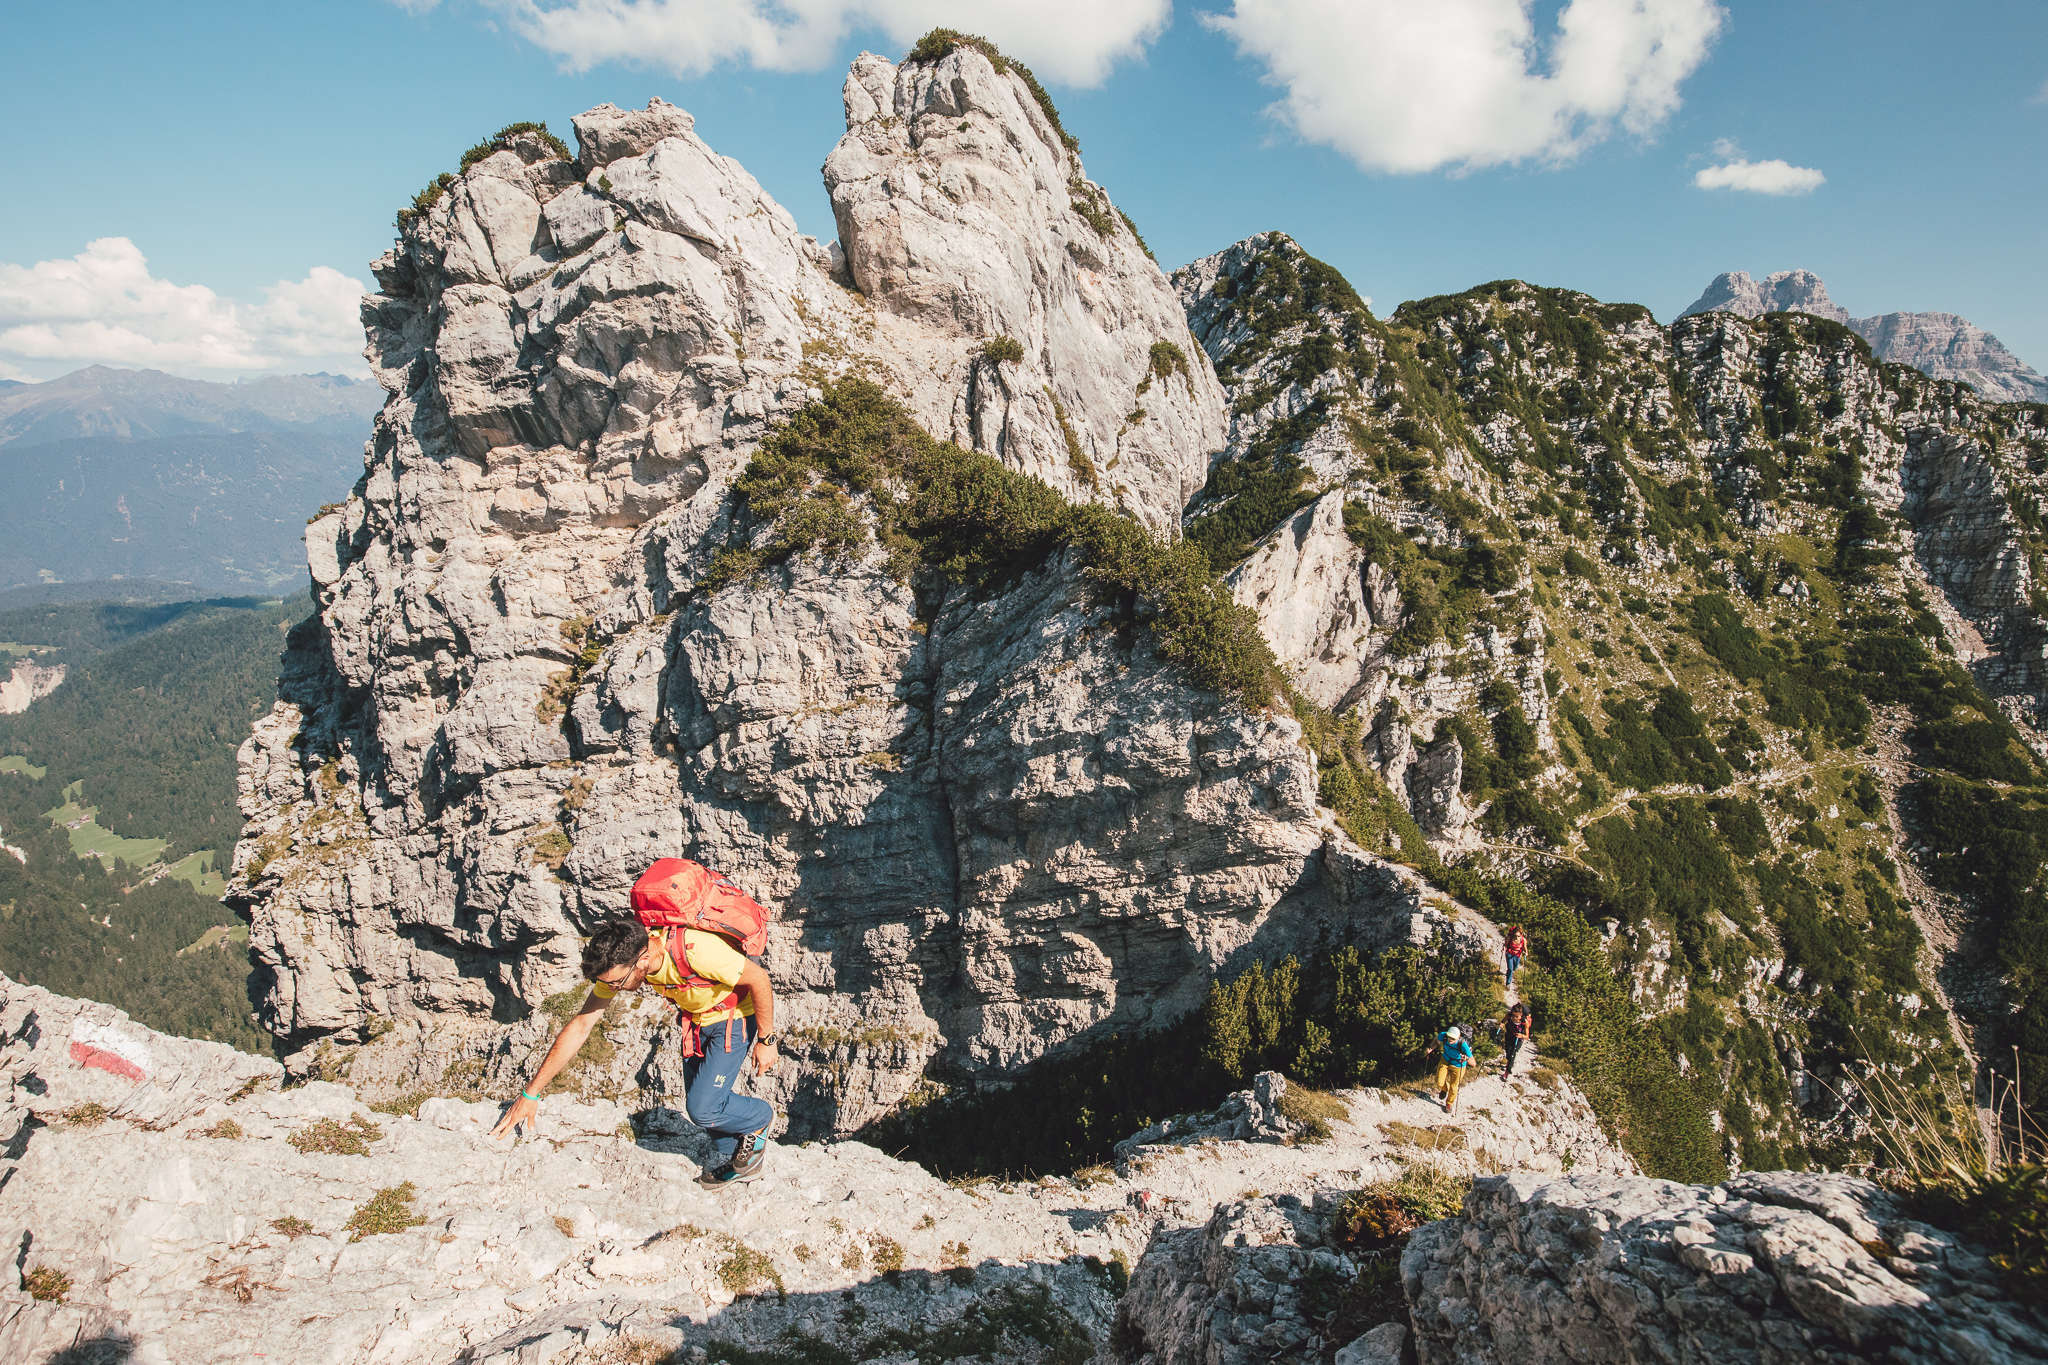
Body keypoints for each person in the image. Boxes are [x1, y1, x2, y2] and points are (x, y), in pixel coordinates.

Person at [489, 919, 780, 1186]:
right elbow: (582, 1024)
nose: (615, 989)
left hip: (733, 1017)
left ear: (643, 959)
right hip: (697, 1020)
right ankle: (734, 1161)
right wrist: (531, 1093)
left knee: (703, 1108)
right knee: (704, 1105)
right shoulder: (628, 960)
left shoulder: (696, 950)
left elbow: (759, 979)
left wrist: (766, 1041)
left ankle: (759, 1118)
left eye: (617, 982)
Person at [1435, 1025, 1473, 1114]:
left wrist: (1466, 1058)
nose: (1450, 1039)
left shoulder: (1462, 1044)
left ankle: (1449, 1103)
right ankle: (1444, 1089)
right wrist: (1431, 1047)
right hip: (1445, 1060)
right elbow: (1436, 1040)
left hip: (1458, 1065)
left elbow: (1473, 1063)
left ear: (1458, 1037)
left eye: (1453, 1038)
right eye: (1449, 1037)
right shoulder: (1443, 1035)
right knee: (1439, 1081)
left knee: (1454, 1086)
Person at [1501, 1002, 1532, 1077]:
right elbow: (1503, 1021)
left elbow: (1527, 1036)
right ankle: (1509, 1063)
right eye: (1513, 1015)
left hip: (1518, 1039)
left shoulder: (1525, 1022)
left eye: (1516, 1016)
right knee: (1508, 1052)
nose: (1514, 1018)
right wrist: (1501, 1024)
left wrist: (1521, 1035)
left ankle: (1507, 1073)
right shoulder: (1509, 1016)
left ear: (1521, 1015)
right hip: (1509, 1036)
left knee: (1512, 1053)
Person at [1503, 925, 1529, 989]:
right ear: (1513, 934)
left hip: (1517, 955)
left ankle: (1509, 973)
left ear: (1521, 935)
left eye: (1518, 936)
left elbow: (1525, 948)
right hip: (1509, 954)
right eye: (1515, 935)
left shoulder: (1523, 940)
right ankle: (1508, 984)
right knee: (1510, 969)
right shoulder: (1510, 938)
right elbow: (1506, 945)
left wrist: (1526, 953)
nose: (1516, 937)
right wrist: (1504, 948)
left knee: (1515, 967)